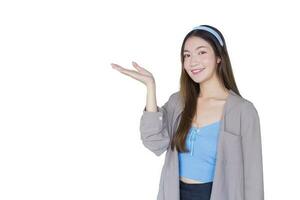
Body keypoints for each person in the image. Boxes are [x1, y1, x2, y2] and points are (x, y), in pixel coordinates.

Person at [111, 25, 264, 200]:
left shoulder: (243, 111)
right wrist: (150, 87)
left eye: (202, 52)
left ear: (219, 57)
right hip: (174, 193)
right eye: (187, 55)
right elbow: (154, 142)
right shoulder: (178, 102)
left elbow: (253, 178)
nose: (193, 62)